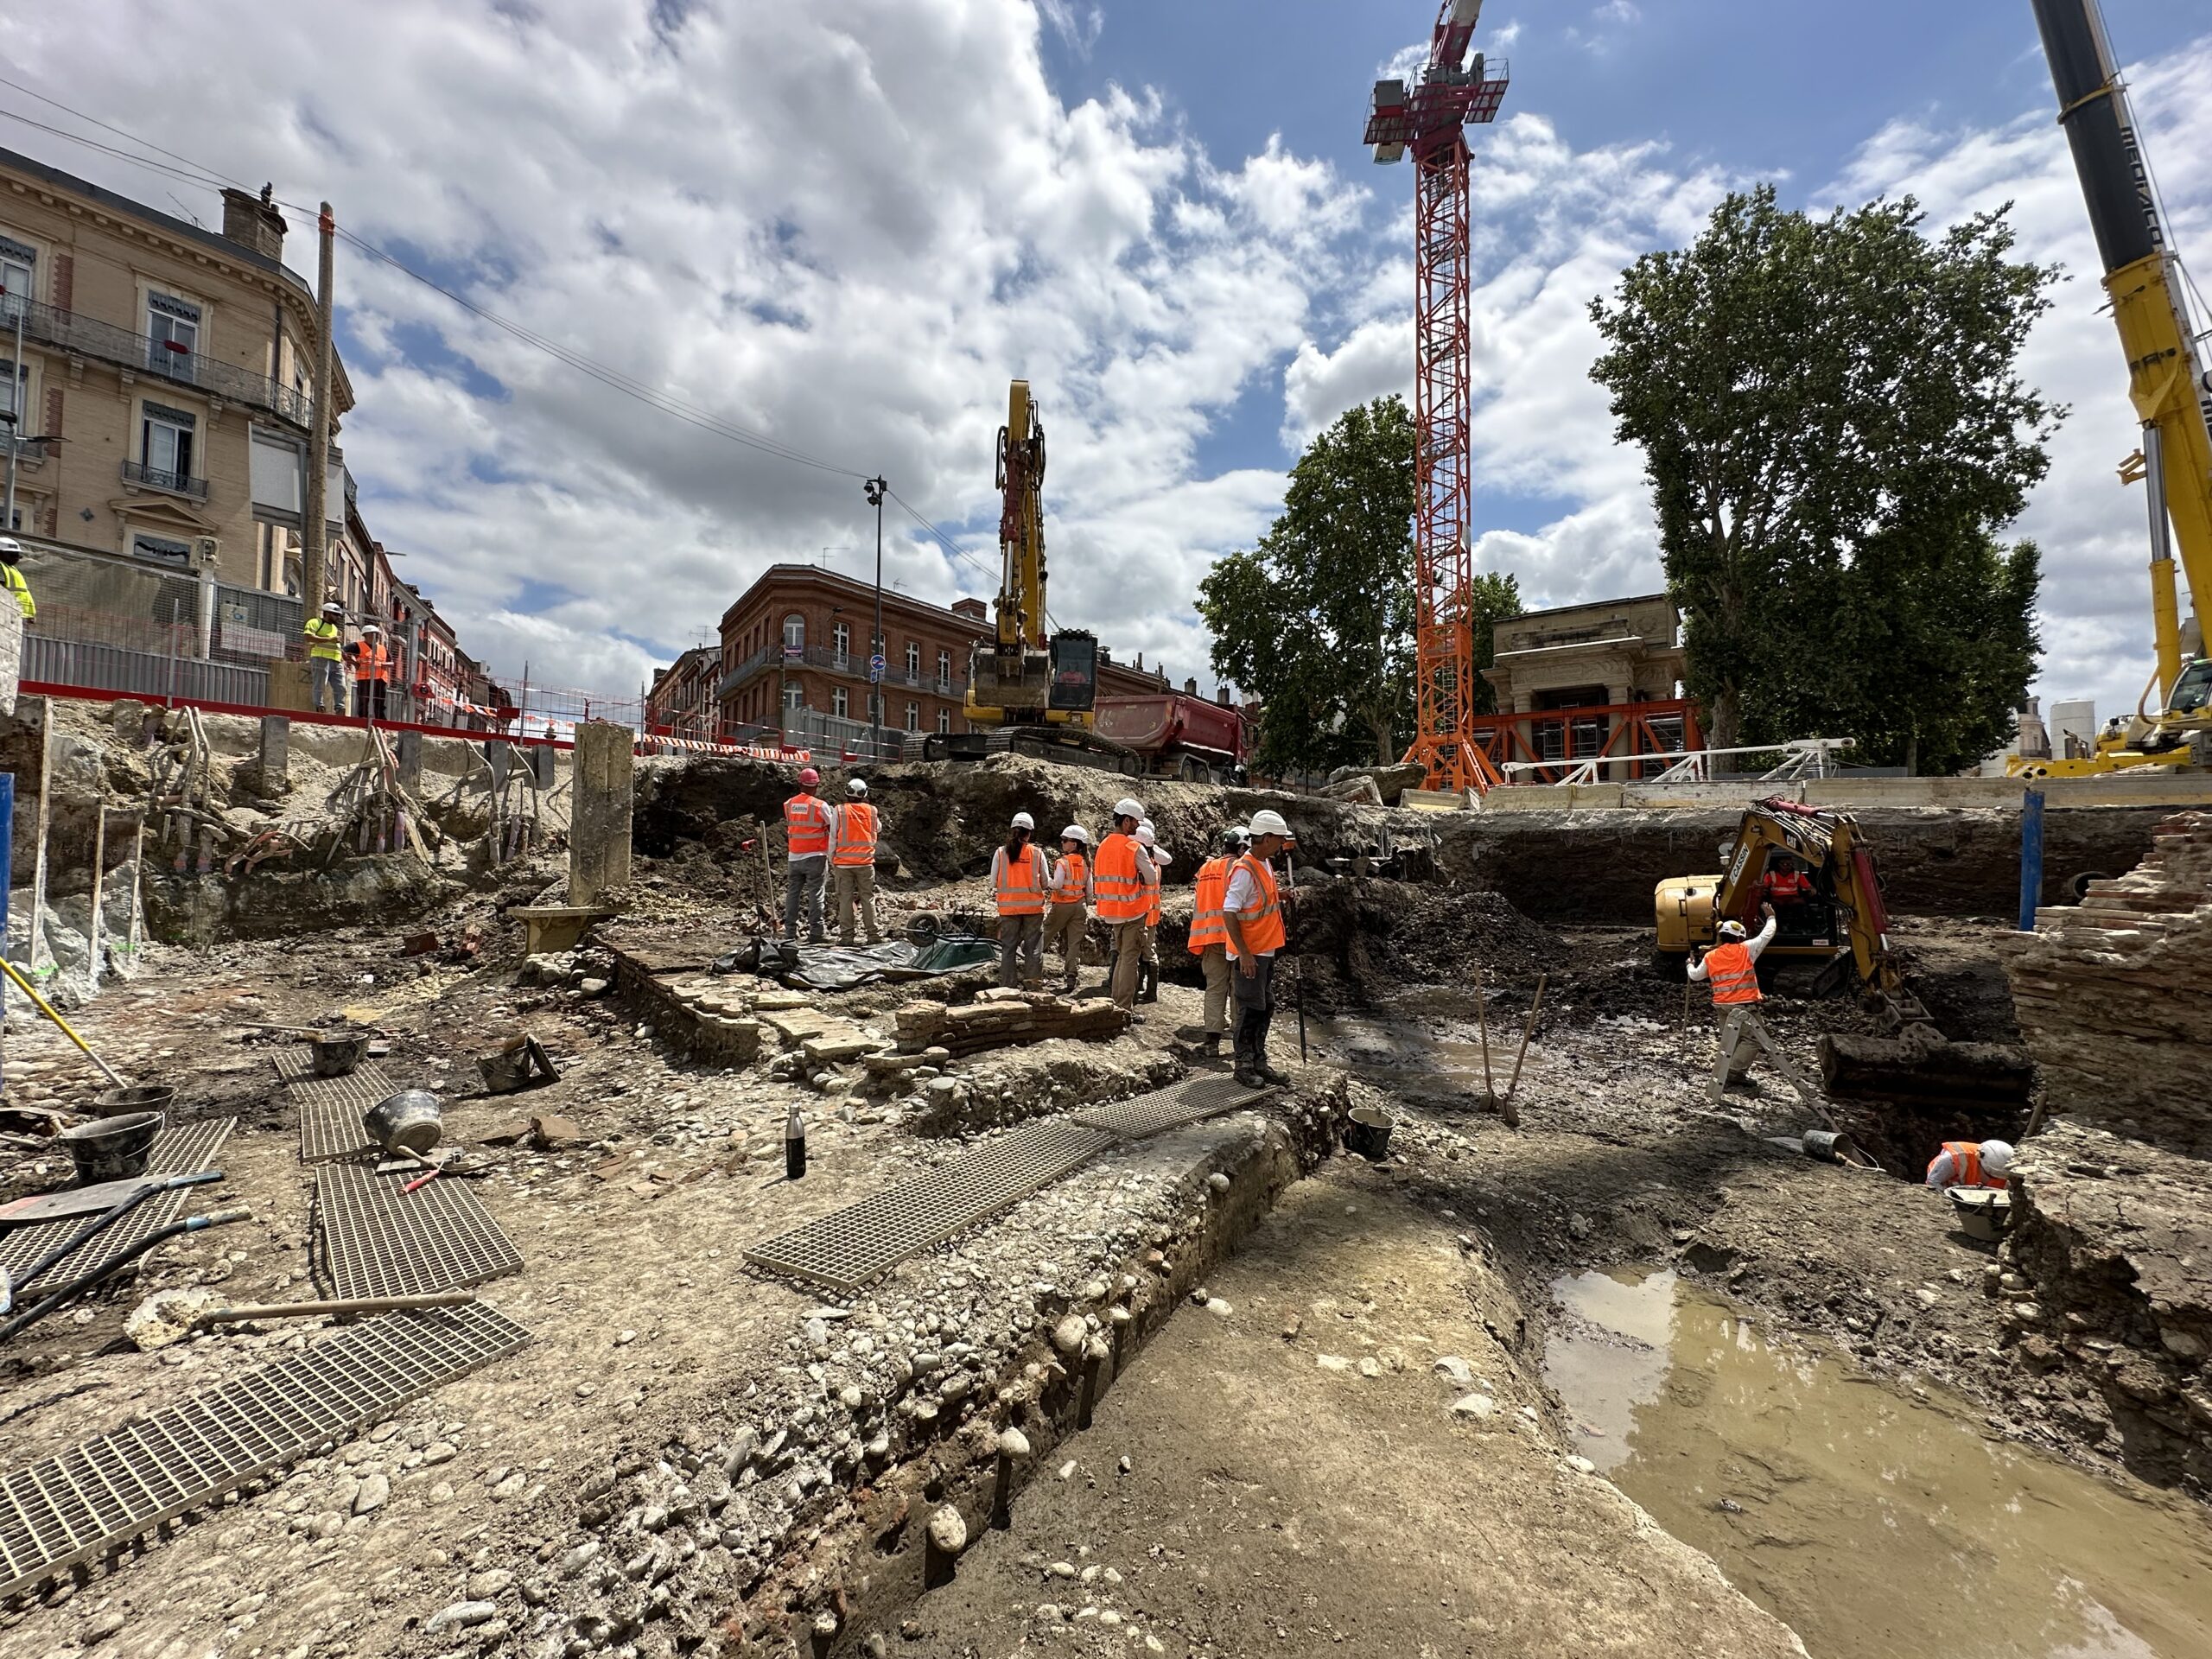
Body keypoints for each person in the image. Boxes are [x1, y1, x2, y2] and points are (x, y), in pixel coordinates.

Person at [1688, 902, 1821, 1108]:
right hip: (1743, 1005)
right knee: (1754, 1040)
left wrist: (1689, 965)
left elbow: (1696, 976)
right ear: (1739, 937)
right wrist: (1771, 916)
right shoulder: (1746, 949)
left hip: (1722, 1005)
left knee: (1731, 1041)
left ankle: (1730, 1073)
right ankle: (1733, 1073)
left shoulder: (1711, 955)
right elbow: (1767, 934)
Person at [1224, 810, 1294, 1086]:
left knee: (1266, 1006)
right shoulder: (1245, 870)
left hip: (1265, 949)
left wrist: (1282, 895)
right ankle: (1243, 1065)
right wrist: (1244, 953)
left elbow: (1260, 901)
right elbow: (1229, 911)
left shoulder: (1264, 864)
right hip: (1250, 952)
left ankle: (1258, 1060)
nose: (1282, 843)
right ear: (1266, 838)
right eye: (1279, 838)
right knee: (1251, 1008)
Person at [1177, 827, 1248, 1056]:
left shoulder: (1206, 868)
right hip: (1235, 936)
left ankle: (1212, 1041)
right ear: (1241, 848)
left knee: (1215, 987)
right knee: (1239, 988)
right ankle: (1239, 1038)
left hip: (1210, 936)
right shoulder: (1239, 867)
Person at [1093, 797, 1151, 1008]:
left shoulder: (1103, 846)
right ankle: (1124, 1007)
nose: (1137, 826)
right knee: (1129, 960)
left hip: (1112, 912)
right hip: (1133, 911)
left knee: (1121, 958)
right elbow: (1151, 877)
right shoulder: (1133, 847)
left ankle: (1117, 1003)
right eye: (1135, 822)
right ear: (1126, 821)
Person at [991, 811, 1050, 988]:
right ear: (1029, 833)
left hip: (1008, 908)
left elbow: (993, 882)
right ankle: (1032, 986)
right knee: (1033, 948)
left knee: (1008, 948)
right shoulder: (1037, 853)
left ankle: (1007, 987)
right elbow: (1045, 882)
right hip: (1033, 908)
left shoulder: (1000, 853)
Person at [781, 766, 834, 944]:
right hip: (815, 855)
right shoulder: (820, 805)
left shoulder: (789, 804)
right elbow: (833, 826)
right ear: (816, 785)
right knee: (816, 893)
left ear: (800, 784)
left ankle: (789, 932)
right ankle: (816, 932)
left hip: (794, 856)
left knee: (792, 894)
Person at [830, 777, 883, 945]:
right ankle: (873, 935)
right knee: (868, 898)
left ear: (846, 792)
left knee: (845, 900)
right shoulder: (871, 811)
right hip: (865, 863)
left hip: (843, 863)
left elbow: (833, 837)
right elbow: (878, 828)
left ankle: (847, 937)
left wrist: (831, 858)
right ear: (864, 794)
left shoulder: (839, 810)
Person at [1044, 823, 1092, 993]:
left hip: (1063, 904)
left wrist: (1045, 881)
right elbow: (1090, 891)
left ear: (1074, 843)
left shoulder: (1062, 862)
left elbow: (1057, 885)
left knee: (1045, 934)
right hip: (1080, 906)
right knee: (1074, 944)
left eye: (1065, 840)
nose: (1062, 843)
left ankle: (1027, 965)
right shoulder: (1086, 863)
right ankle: (1071, 976)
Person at [1135, 820, 1168, 1005]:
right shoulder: (1155, 864)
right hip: (1152, 915)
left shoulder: (1144, 866)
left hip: (1143, 915)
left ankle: (1144, 991)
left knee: (1142, 953)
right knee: (1147, 952)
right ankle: (1147, 990)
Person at [304, 601, 345, 714]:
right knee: (320, 685)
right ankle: (319, 707)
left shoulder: (335, 628)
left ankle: (340, 709)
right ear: (327, 613)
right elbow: (308, 637)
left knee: (341, 687)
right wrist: (329, 639)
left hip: (336, 661)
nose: (338, 617)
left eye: (339, 615)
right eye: (335, 614)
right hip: (321, 658)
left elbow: (335, 644)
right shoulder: (315, 622)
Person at [1925, 1138, 2013, 1191]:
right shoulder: (1955, 1158)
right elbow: (1933, 1181)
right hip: (1949, 1187)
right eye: (1991, 1176)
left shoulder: (2004, 1168)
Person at [350, 623, 392, 721]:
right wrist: (353, 663)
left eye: (377, 634)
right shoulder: (357, 646)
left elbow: (392, 663)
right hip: (364, 679)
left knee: (379, 703)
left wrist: (381, 664)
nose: (376, 636)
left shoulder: (383, 648)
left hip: (380, 680)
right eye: (373, 634)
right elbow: (344, 651)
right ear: (366, 635)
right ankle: (363, 720)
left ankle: (380, 721)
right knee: (363, 701)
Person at [0, 537, 35, 626]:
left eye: (18, 555)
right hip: (7, 611)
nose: (16, 558)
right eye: (12, 555)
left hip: (15, 612)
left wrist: (30, 614)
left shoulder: (11, 569)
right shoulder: (1, 566)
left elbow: (23, 593)